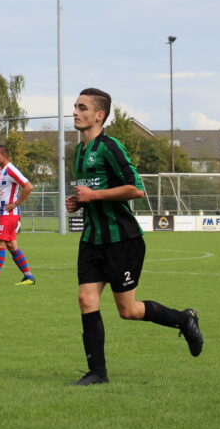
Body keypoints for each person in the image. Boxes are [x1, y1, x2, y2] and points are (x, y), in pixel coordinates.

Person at [64, 88, 203, 385]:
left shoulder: (110, 146)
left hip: (122, 241)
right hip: (92, 239)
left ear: (99, 115)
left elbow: (136, 188)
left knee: (128, 311)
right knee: (86, 299)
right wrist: (79, 202)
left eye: (82, 107)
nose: (75, 112)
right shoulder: (78, 152)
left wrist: (94, 195)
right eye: (75, 106)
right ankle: (97, 373)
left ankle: (184, 319)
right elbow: (93, 192)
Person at [0, 145, 35, 286]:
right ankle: (29, 276)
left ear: (4, 156)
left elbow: (28, 187)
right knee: (11, 245)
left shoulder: (11, 170)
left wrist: (15, 203)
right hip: (2, 214)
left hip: (9, 214)